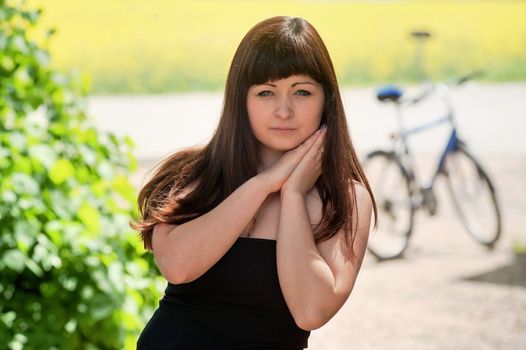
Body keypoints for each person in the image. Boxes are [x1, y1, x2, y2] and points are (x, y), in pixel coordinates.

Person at [131, 15, 377, 350]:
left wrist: (292, 193)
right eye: (265, 92)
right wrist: (264, 184)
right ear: (240, 100)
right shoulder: (196, 175)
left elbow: (310, 311)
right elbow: (177, 266)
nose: (284, 110)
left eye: (302, 91)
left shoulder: (345, 199)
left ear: (327, 99)